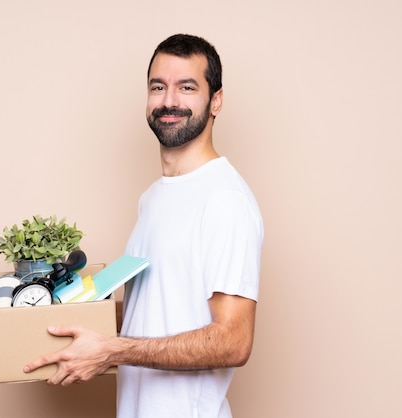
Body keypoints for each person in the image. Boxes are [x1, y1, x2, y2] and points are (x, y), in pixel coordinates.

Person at [23, 33, 264, 418]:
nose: (169, 101)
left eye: (187, 87)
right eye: (158, 87)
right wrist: (49, 316)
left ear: (215, 100)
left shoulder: (224, 198)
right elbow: (156, 309)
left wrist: (111, 351)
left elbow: (234, 341)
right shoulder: (153, 197)